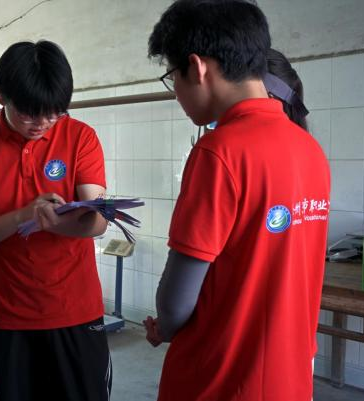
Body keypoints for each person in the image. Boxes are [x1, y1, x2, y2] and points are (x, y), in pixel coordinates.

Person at [143, 1, 330, 400]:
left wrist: (165, 326)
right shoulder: (310, 150)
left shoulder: (219, 152)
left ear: (197, 67)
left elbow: (176, 302)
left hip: (221, 378)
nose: (176, 92)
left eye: (172, 76)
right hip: (289, 377)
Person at [0, 40, 112, 401]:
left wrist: (53, 221)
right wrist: (24, 216)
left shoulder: (81, 137)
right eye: (29, 113)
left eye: (53, 113)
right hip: (8, 318)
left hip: (75, 312)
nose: (42, 123)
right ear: (1, 94)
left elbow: (97, 221)